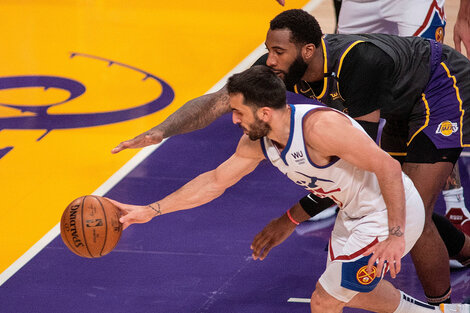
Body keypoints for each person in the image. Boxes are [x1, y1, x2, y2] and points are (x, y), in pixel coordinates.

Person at [112, 9, 470, 305]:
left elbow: (367, 169)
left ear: (309, 51)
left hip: (438, 87)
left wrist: (291, 218)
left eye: (279, 52)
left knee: (412, 212)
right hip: (396, 98)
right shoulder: (276, 73)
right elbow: (218, 104)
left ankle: (444, 306)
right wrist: (162, 132)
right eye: (269, 50)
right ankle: (464, 250)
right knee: (394, 203)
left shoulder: (357, 65)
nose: (270, 60)